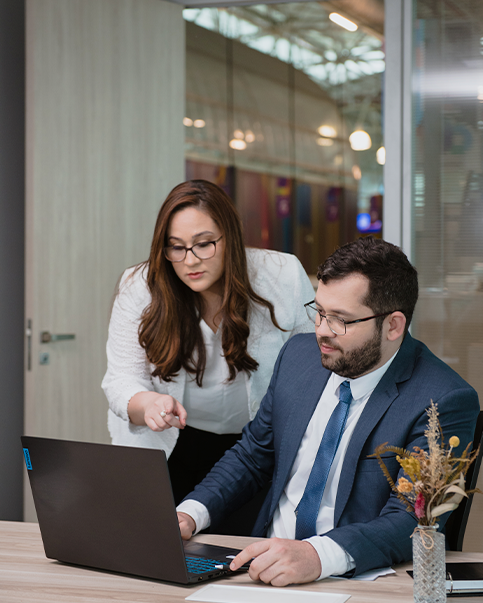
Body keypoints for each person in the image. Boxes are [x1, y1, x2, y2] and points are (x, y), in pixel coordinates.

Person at [177, 236, 480, 586]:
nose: (321, 331)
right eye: (319, 311)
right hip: (259, 568)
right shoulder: (298, 357)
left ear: (393, 325)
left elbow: (412, 519)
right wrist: (189, 513)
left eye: (341, 320)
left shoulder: (443, 399)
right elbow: (251, 456)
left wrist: (317, 555)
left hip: (352, 580)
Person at [102, 179, 314, 513]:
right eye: (176, 247)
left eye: (204, 244)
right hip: (173, 444)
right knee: (164, 548)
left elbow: (311, 369)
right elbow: (120, 380)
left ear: (230, 238)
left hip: (254, 449)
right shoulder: (140, 287)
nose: (190, 261)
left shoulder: (282, 275)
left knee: (247, 550)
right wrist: (149, 404)